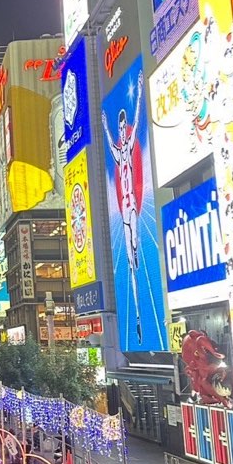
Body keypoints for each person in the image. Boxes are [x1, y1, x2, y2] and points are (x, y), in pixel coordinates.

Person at [102, 69, 145, 343]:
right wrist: (105, 126)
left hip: (131, 206)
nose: (121, 131)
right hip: (125, 206)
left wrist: (139, 92)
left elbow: (139, 117)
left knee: (135, 246)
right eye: (118, 129)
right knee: (130, 258)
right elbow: (109, 143)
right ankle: (132, 261)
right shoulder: (118, 150)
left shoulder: (128, 146)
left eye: (122, 127)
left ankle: (135, 257)